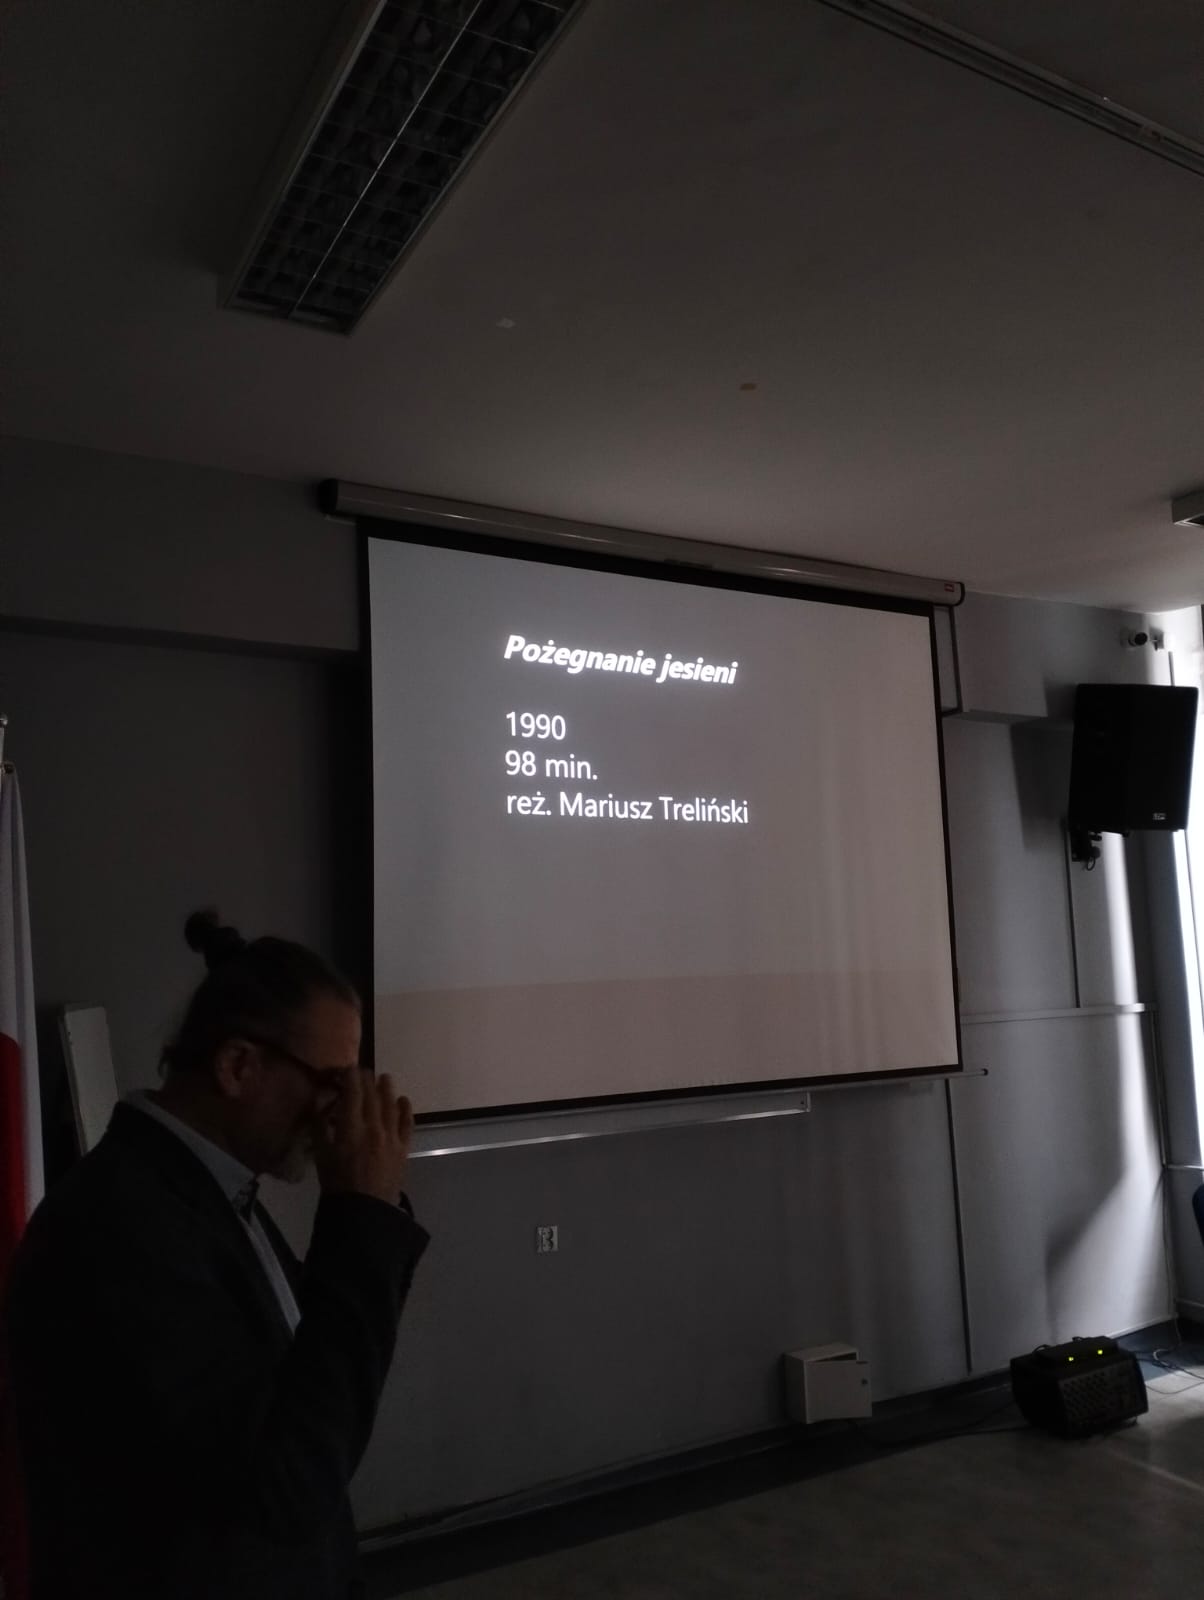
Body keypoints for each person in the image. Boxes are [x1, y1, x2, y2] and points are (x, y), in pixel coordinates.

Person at [3, 909, 429, 1600]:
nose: (338, 1114)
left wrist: (368, 1215)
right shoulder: (121, 1224)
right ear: (237, 1066)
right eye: (331, 1084)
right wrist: (361, 1216)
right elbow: (285, 1486)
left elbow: (304, 1385)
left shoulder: (203, 1193)